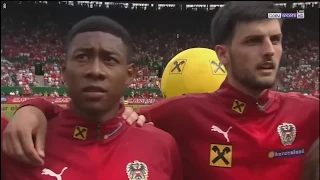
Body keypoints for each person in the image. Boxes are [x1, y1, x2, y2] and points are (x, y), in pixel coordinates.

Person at [3, 2, 319, 180]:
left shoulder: (308, 112)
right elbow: (102, 118)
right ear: (222, 54)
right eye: (253, 41)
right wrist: (36, 106)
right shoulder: (181, 113)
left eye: (275, 40)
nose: (269, 51)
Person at [1, 16, 182, 180]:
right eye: (82, 57)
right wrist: (33, 107)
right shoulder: (19, 143)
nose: (95, 71)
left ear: (129, 75)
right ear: (64, 71)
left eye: (109, 59)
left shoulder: (162, 146)